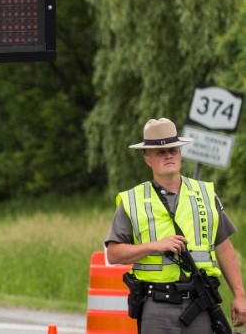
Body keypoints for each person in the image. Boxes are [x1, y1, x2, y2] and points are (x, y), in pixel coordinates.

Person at [105, 118, 246, 333]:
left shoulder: (204, 194)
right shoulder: (132, 200)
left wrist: (240, 295)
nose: (169, 155)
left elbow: (224, 247)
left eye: (173, 149)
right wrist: (155, 246)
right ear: (148, 159)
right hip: (156, 306)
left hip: (200, 303)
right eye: (160, 152)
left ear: (180, 154)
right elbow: (114, 254)